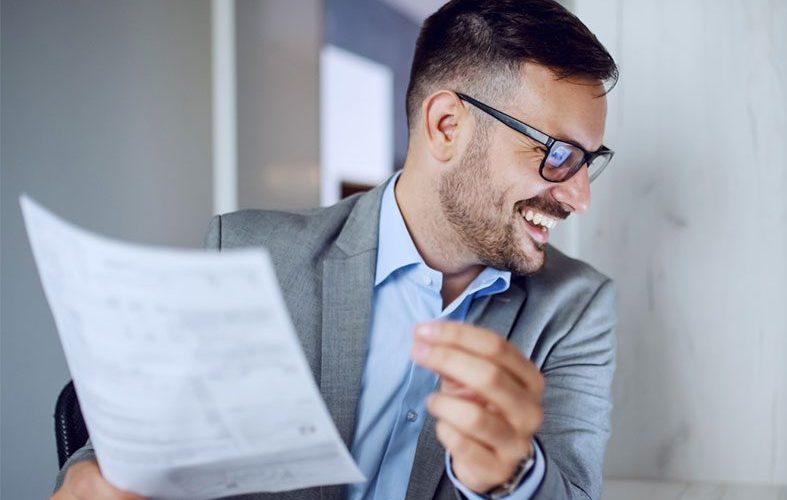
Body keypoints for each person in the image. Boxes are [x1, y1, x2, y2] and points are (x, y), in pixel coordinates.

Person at [51, 0, 618, 499]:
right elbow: (128, 449)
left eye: (588, 162)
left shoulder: (575, 306)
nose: (581, 196)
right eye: (560, 154)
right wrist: (91, 475)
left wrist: (511, 476)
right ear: (447, 125)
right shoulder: (249, 254)